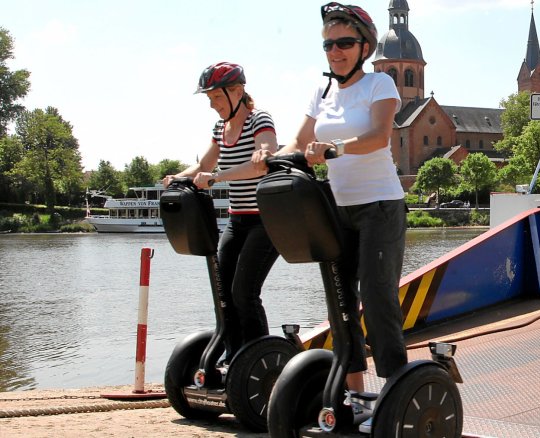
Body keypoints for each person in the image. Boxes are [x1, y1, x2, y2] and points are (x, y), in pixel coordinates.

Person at [254, 3, 405, 427]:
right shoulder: (321, 94)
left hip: (380, 206)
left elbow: (378, 137)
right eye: (328, 45)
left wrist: (333, 150)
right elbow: (298, 143)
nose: (334, 51)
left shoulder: (381, 85)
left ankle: (395, 392)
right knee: (341, 305)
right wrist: (272, 155)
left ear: (363, 46)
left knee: (377, 301)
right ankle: (358, 399)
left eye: (343, 42)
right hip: (336, 210)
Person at [163, 62, 280, 360]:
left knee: (244, 294)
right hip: (237, 222)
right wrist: (178, 178)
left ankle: (259, 361)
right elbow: (203, 166)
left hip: (266, 222)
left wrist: (218, 177)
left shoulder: (259, 121)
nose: (213, 105)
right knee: (224, 294)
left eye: (216, 97)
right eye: (210, 99)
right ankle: (234, 357)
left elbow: (264, 159)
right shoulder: (219, 128)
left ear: (237, 91)